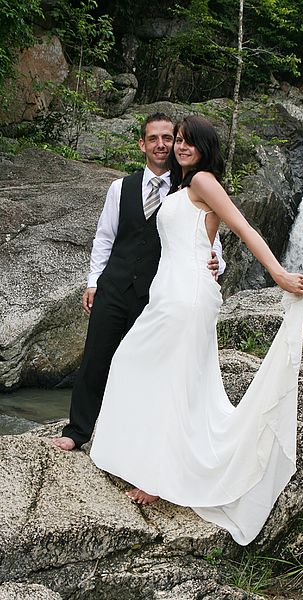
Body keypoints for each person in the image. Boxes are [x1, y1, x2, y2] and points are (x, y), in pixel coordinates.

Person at [90, 115, 303, 546]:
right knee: (139, 366)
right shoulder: (182, 185)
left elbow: (242, 228)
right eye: (179, 141)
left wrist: (279, 274)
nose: (181, 147)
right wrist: (213, 259)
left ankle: (158, 479)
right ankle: (142, 459)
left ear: (205, 147)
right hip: (171, 293)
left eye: (189, 142)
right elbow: (196, 237)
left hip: (186, 295)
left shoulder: (204, 181)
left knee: (173, 382)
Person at [52, 112, 225, 451]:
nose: (162, 144)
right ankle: (76, 432)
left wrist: (217, 260)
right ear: (142, 144)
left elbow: (205, 236)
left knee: (141, 367)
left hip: (156, 294)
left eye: (168, 138)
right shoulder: (121, 188)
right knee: (95, 359)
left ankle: (128, 440)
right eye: (154, 139)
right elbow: (104, 238)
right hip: (114, 287)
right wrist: (93, 281)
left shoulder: (186, 187)